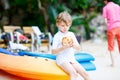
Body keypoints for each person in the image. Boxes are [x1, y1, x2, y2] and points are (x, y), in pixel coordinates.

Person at [52, 11, 92, 80]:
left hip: (71, 59)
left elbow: (78, 48)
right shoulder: (57, 36)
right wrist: (63, 47)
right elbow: (53, 51)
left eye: (67, 26)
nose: (65, 28)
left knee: (86, 74)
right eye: (63, 26)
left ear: (70, 25)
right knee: (73, 73)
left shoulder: (71, 34)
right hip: (62, 60)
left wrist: (73, 45)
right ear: (57, 24)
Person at [102, 0, 120, 67]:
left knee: (111, 45)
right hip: (119, 26)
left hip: (111, 28)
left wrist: (108, 26)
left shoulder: (105, 8)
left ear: (106, 0)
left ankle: (113, 63)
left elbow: (105, 20)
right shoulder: (117, 6)